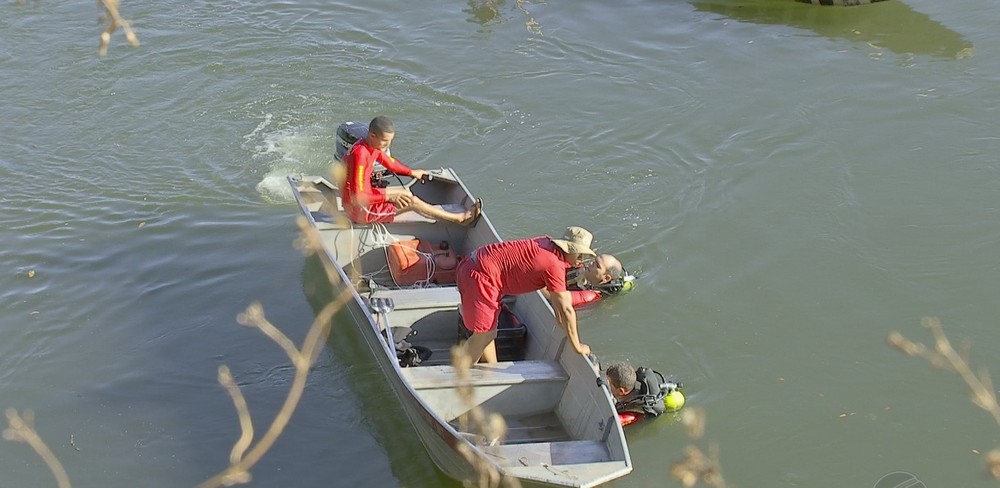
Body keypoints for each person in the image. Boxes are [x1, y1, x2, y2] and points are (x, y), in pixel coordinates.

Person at [458, 226, 597, 363]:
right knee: (484, 335)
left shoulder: (545, 243)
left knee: (489, 332)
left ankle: (492, 369)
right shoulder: (555, 265)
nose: (581, 258)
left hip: (471, 263)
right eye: (579, 254)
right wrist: (577, 347)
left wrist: (561, 320)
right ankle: (459, 375)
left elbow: (558, 305)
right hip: (480, 277)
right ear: (569, 249)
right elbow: (566, 310)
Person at [340, 116, 482, 225]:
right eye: (385, 141)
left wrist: (412, 172)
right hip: (360, 211)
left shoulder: (371, 146)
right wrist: (389, 197)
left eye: (390, 141)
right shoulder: (360, 154)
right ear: (372, 135)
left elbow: (391, 163)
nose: (388, 145)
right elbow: (358, 197)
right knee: (412, 201)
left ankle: (410, 212)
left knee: (405, 193)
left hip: (367, 196)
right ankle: (459, 219)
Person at [605, 362, 683, 425]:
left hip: (642, 416)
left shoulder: (633, 413)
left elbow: (612, 422)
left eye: (609, 383)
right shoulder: (631, 384)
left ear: (621, 391)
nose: (607, 385)